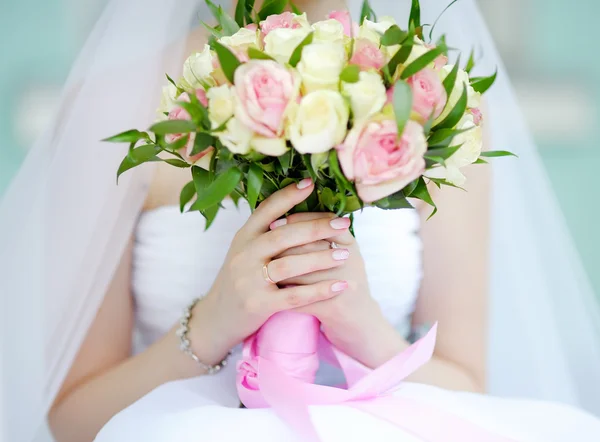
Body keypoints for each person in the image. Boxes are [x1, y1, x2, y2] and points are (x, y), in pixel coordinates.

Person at [1, 0, 600, 441]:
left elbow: (467, 386)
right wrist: (209, 327)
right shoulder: (110, 106)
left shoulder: (434, 104)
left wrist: (362, 328)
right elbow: (75, 421)